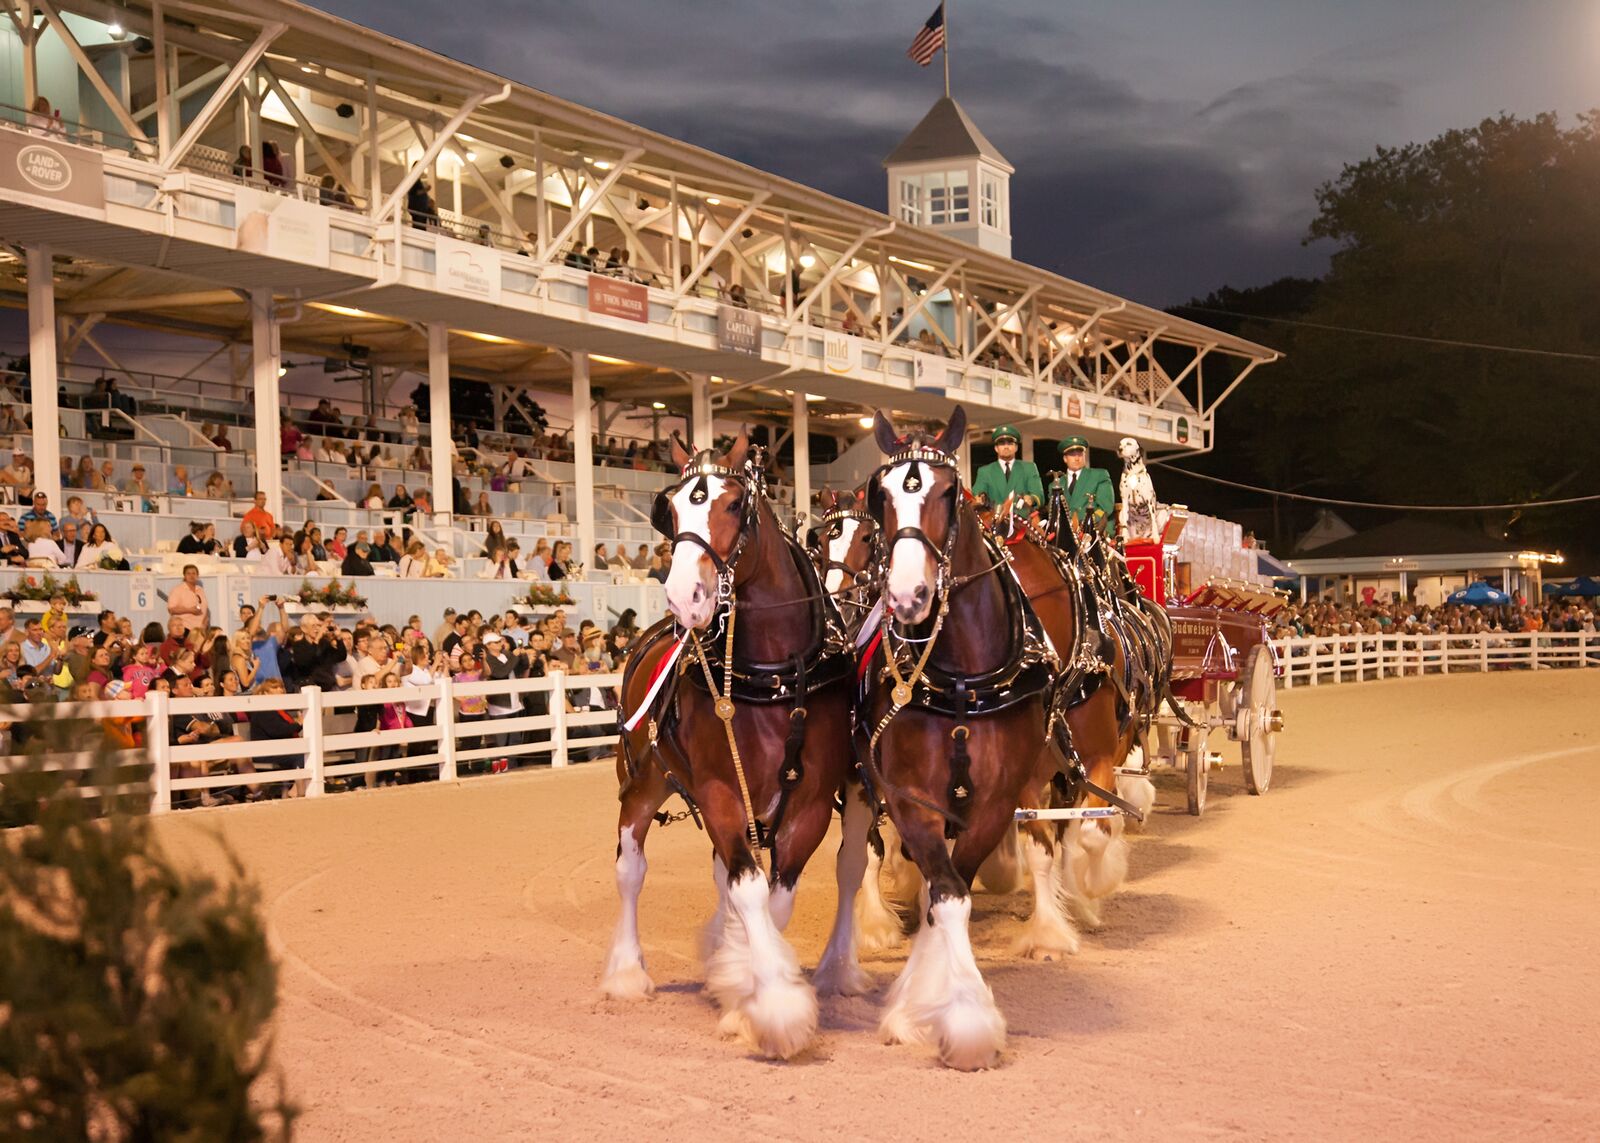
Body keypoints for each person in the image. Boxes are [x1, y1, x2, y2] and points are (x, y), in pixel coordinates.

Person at [1050, 436, 1115, 535]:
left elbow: (1105, 507)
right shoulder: (1055, 485)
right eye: (1072, 455)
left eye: (1080, 454)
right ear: (1065, 458)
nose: (1077, 458)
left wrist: (1085, 523)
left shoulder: (1099, 475)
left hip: (1094, 530)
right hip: (1066, 534)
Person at [971, 424, 1044, 509]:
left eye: (1010, 443)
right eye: (1002, 444)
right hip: (994, 519)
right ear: (996, 448)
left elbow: (1039, 496)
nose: (1006, 447)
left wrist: (1031, 499)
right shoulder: (985, 471)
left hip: (1021, 519)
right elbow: (977, 494)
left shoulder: (1029, 468)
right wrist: (979, 498)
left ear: (1016, 447)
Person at [167, 564, 210, 634]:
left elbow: (205, 609)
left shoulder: (200, 590)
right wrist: (190, 610)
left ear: (197, 576)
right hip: (185, 628)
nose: (191, 576)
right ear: (184, 576)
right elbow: (171, 609)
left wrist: (204, 624)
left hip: (200, 629)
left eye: (194, 573)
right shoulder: (177, 590)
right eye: (188, 573)